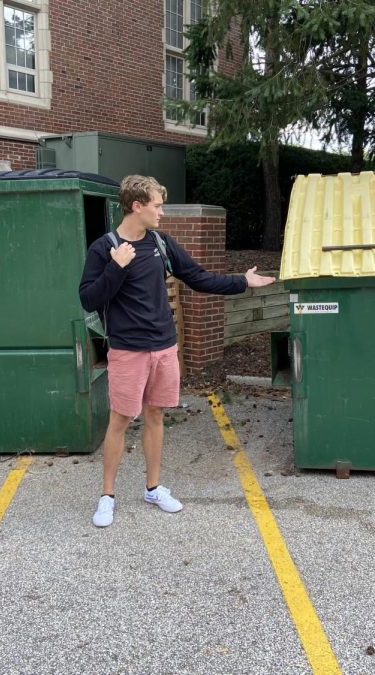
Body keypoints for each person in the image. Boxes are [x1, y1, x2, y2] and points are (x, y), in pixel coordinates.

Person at [79, 175, 275, 527]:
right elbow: (89, 299)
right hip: (128, 351)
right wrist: (116, 266)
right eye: (157, 205)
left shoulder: (161, 242)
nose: (162, 212)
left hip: (164, 347)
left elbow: (198, 277)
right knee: (120, 421)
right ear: (137, 206)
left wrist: (243, 282)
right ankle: (107, 496)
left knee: (156, 416)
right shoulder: (104, 248)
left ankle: (153, 488)